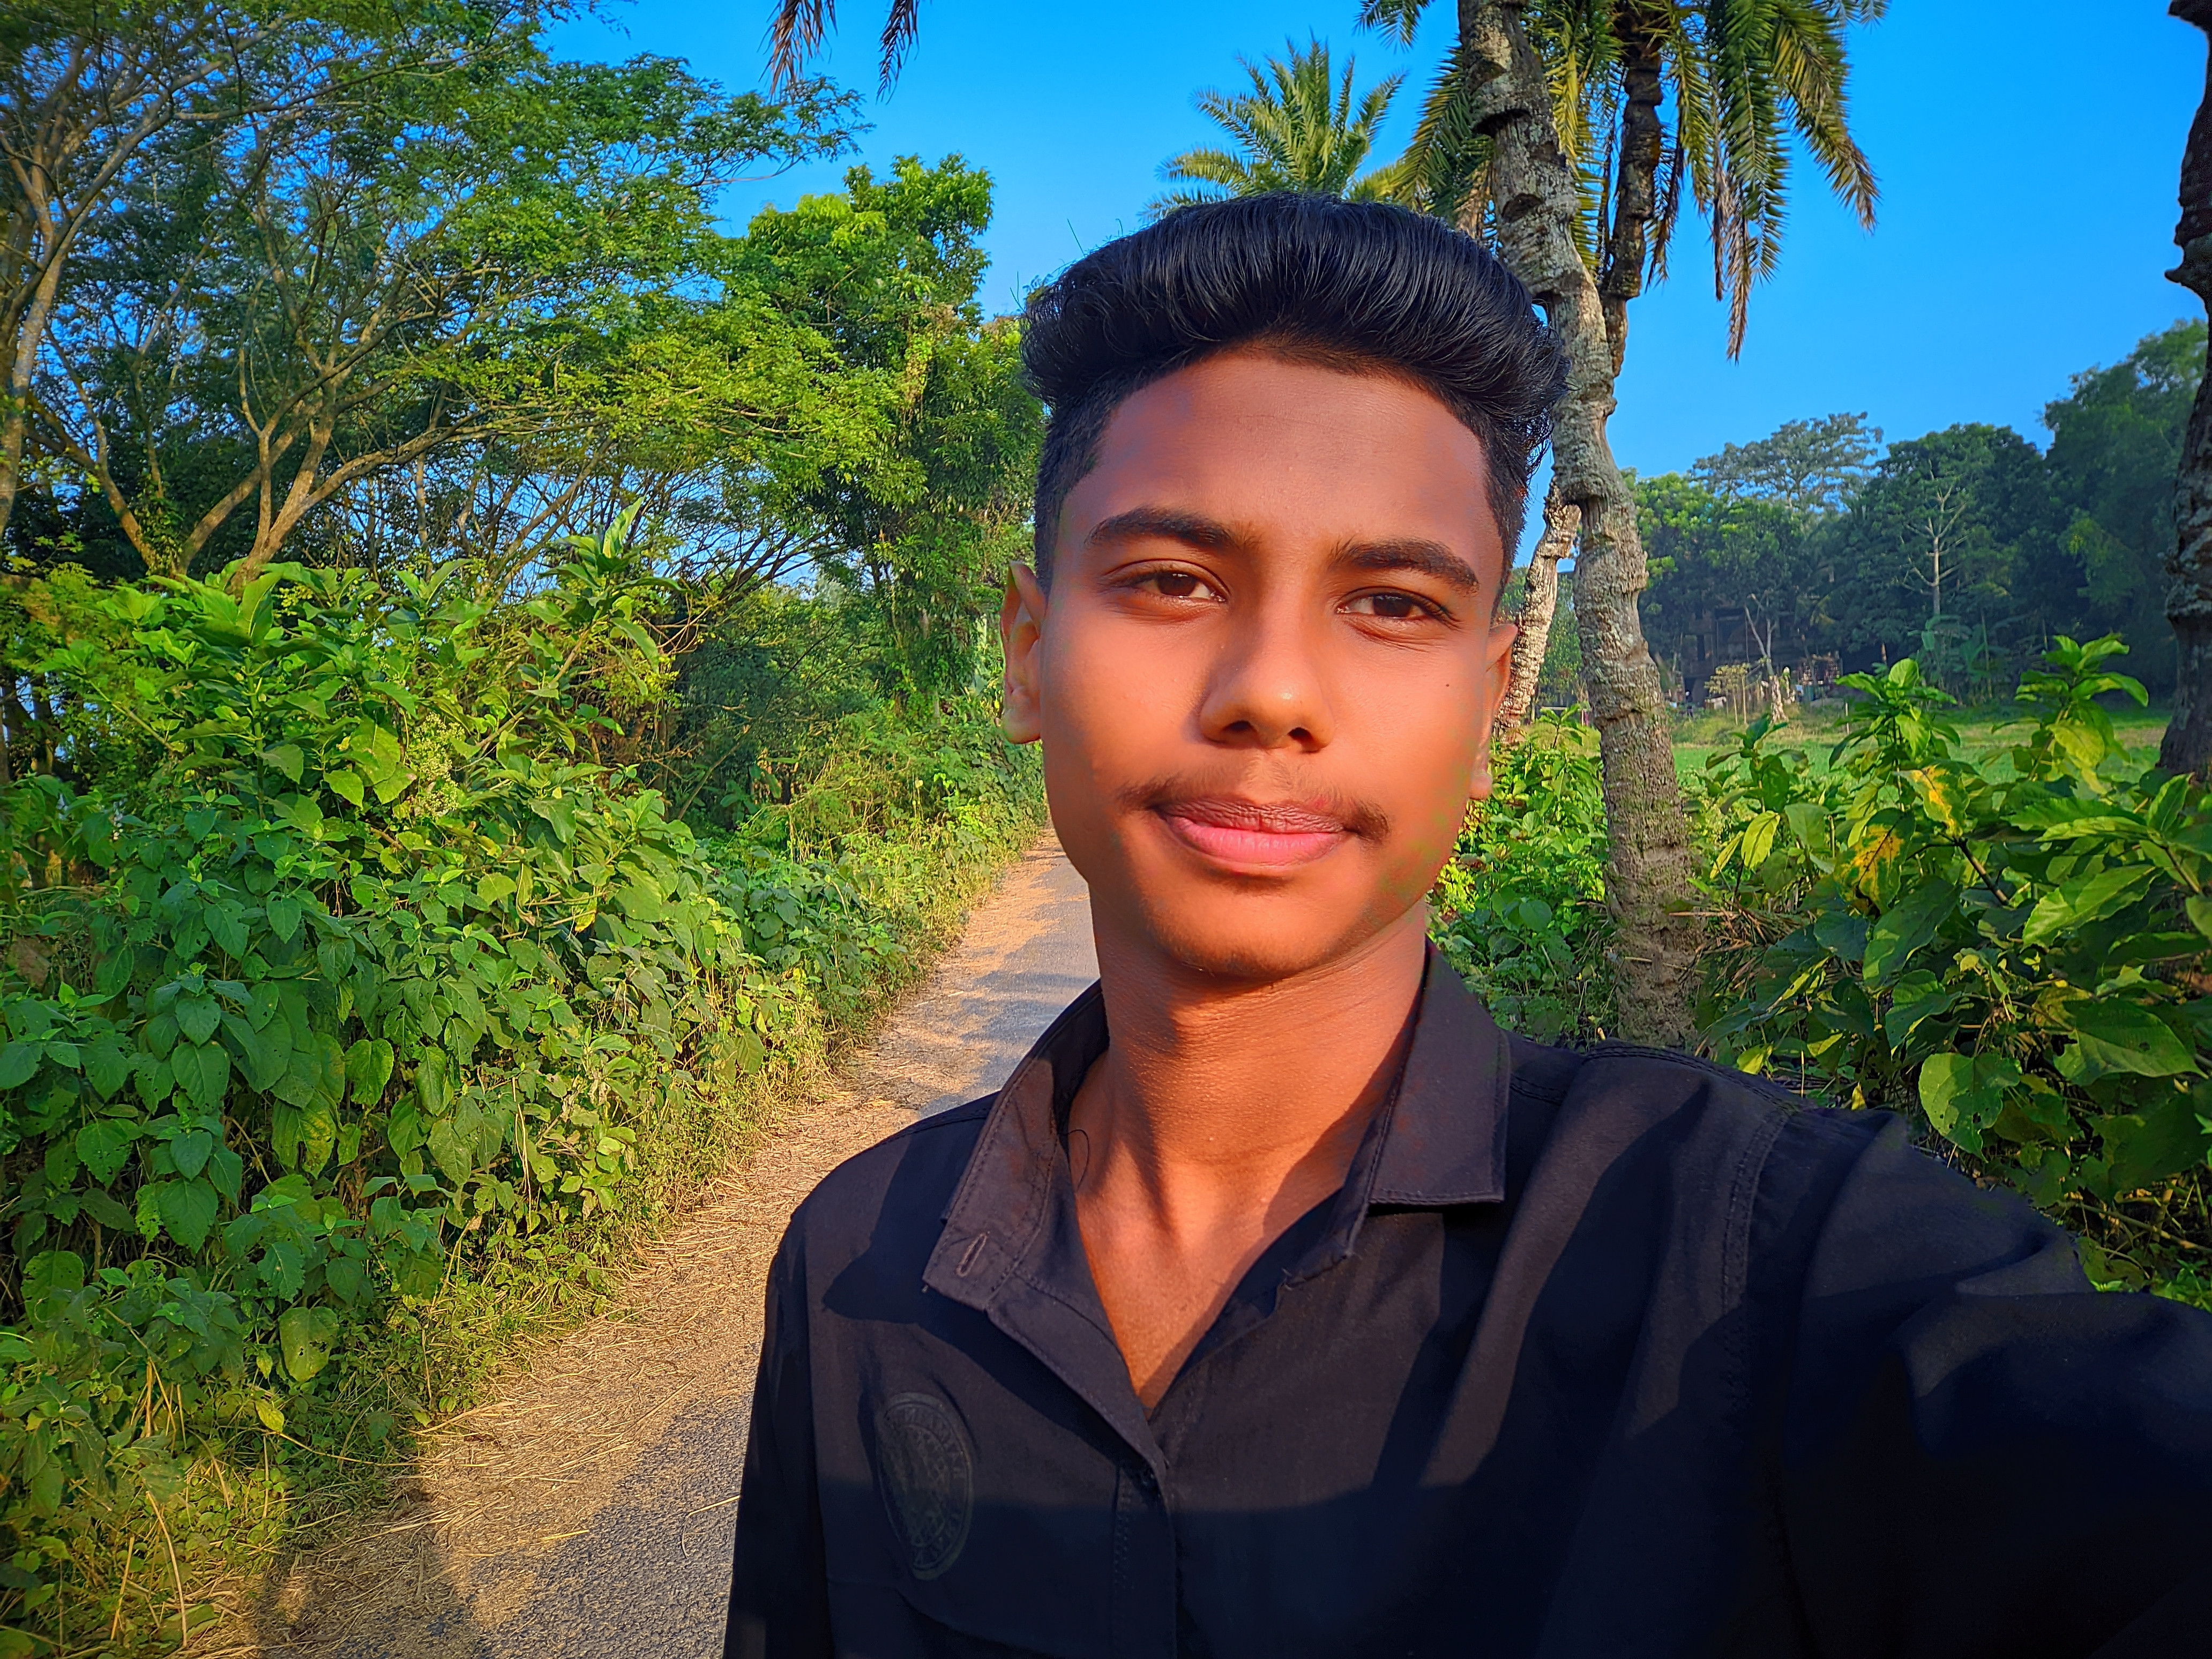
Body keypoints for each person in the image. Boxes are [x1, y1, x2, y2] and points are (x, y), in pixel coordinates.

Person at [723, 194, 2212, 1659]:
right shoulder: (858, 1264)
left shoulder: (1760, 1257)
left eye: (1391, 605)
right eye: (1173, 581)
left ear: (1494, 703)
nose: (1274, 692)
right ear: (1029, 654)